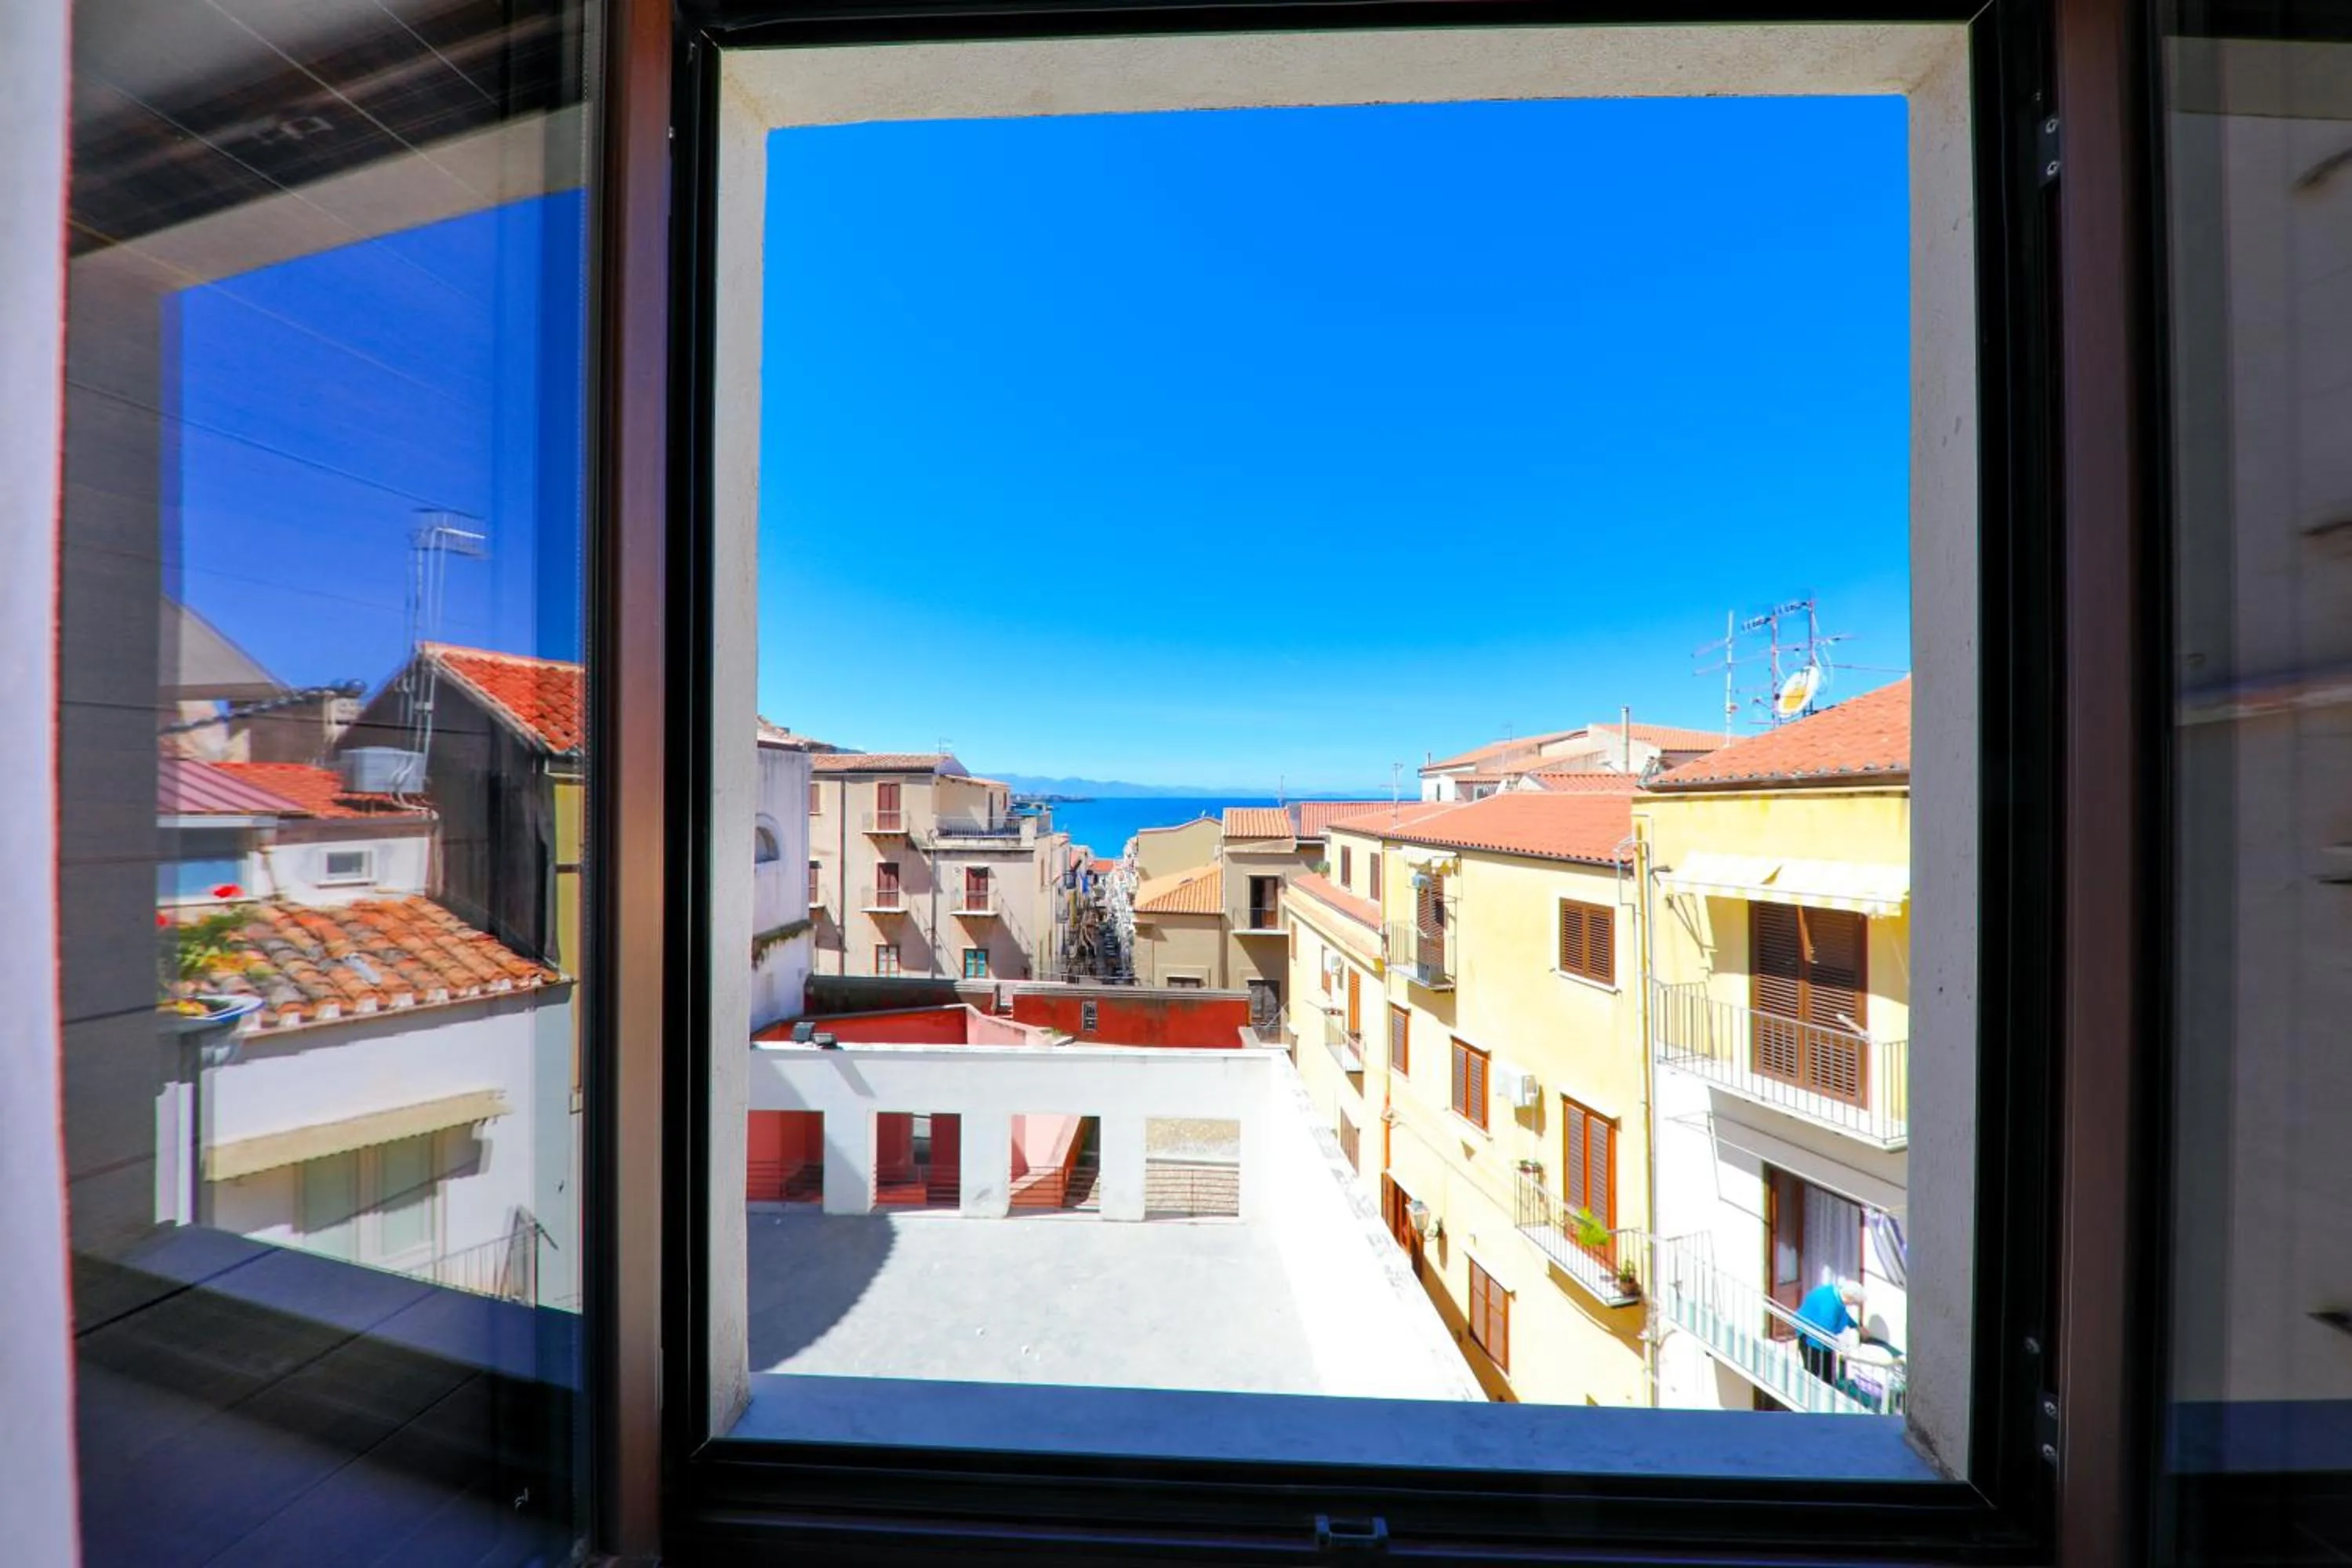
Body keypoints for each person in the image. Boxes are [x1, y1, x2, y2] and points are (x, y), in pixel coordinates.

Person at [1794, 1280, 1863, 1386]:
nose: (1852, 1305)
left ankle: (1826, 1385)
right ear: (1849, 1298)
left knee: (1827, 1372)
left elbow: (1842, 1314)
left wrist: (1856, 1326)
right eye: (1853, 1303)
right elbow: (1825, 1330)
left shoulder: (1835, 1293)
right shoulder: (1831, 1307)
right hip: (1811, 1337)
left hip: (1815, 1333)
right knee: (1814, 1372)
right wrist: (1842, 1348)